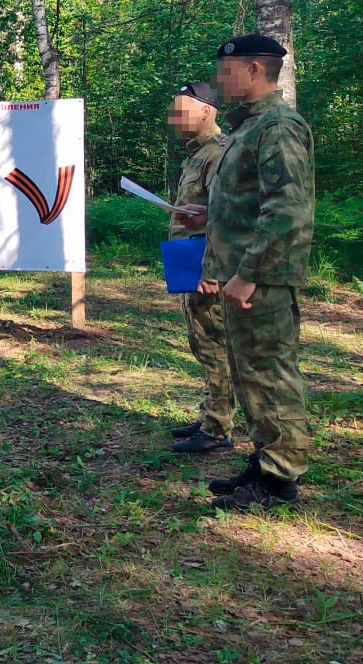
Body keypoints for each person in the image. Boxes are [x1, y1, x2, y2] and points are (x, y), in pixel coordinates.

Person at [177, 34, 315, 511]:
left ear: (254, 71)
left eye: (227, 70)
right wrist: (208, 215)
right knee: (250, 377)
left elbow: (287, 211)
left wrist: (250, 273)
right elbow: (249, 204)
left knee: (271, 376)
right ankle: (265, 462)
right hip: (242, 275)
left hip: (263, 280)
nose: (220, 80)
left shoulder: (277, 127)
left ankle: (280, 484)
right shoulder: (249, 129)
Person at [165, 82, 234, 454]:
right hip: (187, 259)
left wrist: (212, 270)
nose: (175, 118)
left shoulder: (218, 154)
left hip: (205, 263)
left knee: (215, 346)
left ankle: (219, 428)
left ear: (206, 111)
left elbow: (226, 217)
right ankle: (210, 413)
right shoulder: (197, 154)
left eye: (182, 110)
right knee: (199, 342)